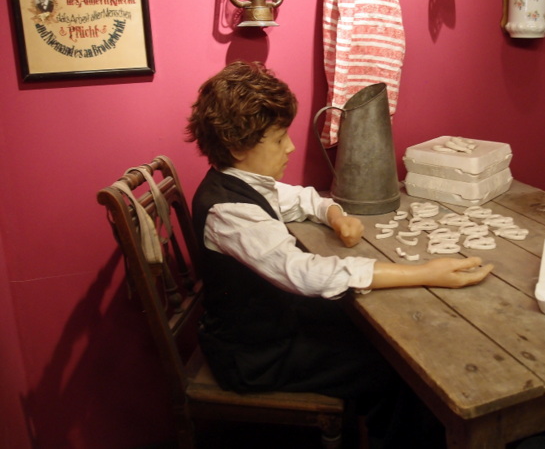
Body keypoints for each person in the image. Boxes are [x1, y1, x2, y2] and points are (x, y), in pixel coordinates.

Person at [186, 61, 492, 446]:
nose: (291, 147)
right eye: (280, 138)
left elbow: (298, 198)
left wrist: (334, 214)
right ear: (237, 146)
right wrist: (426, 272)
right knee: (394, 369)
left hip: (270, 326)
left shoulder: (240, 182)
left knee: (367, 331)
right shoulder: (229, 212)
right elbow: (305, 273)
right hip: (254, 356)